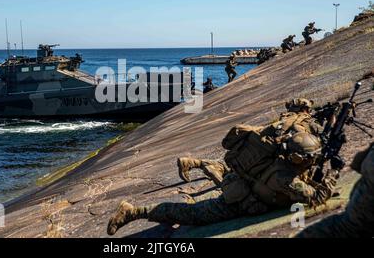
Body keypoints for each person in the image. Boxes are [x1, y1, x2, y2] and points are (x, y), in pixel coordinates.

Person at [107, 99, 337, 236]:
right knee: (192, 214)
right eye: (310, 158)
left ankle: (196, 164)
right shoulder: (284, 176)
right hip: (240, 201)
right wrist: (334, 173)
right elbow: (317, 197)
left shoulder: (278, 153)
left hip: (244, 181)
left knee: (211, 184)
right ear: (297, 158)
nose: (313, 160)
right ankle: (134, 211)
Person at [296, 142, 374, 238]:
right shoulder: (286, 179)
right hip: (359, 221)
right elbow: (318, 198)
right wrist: (334, 171)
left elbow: (357, 163)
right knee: (348, 228)